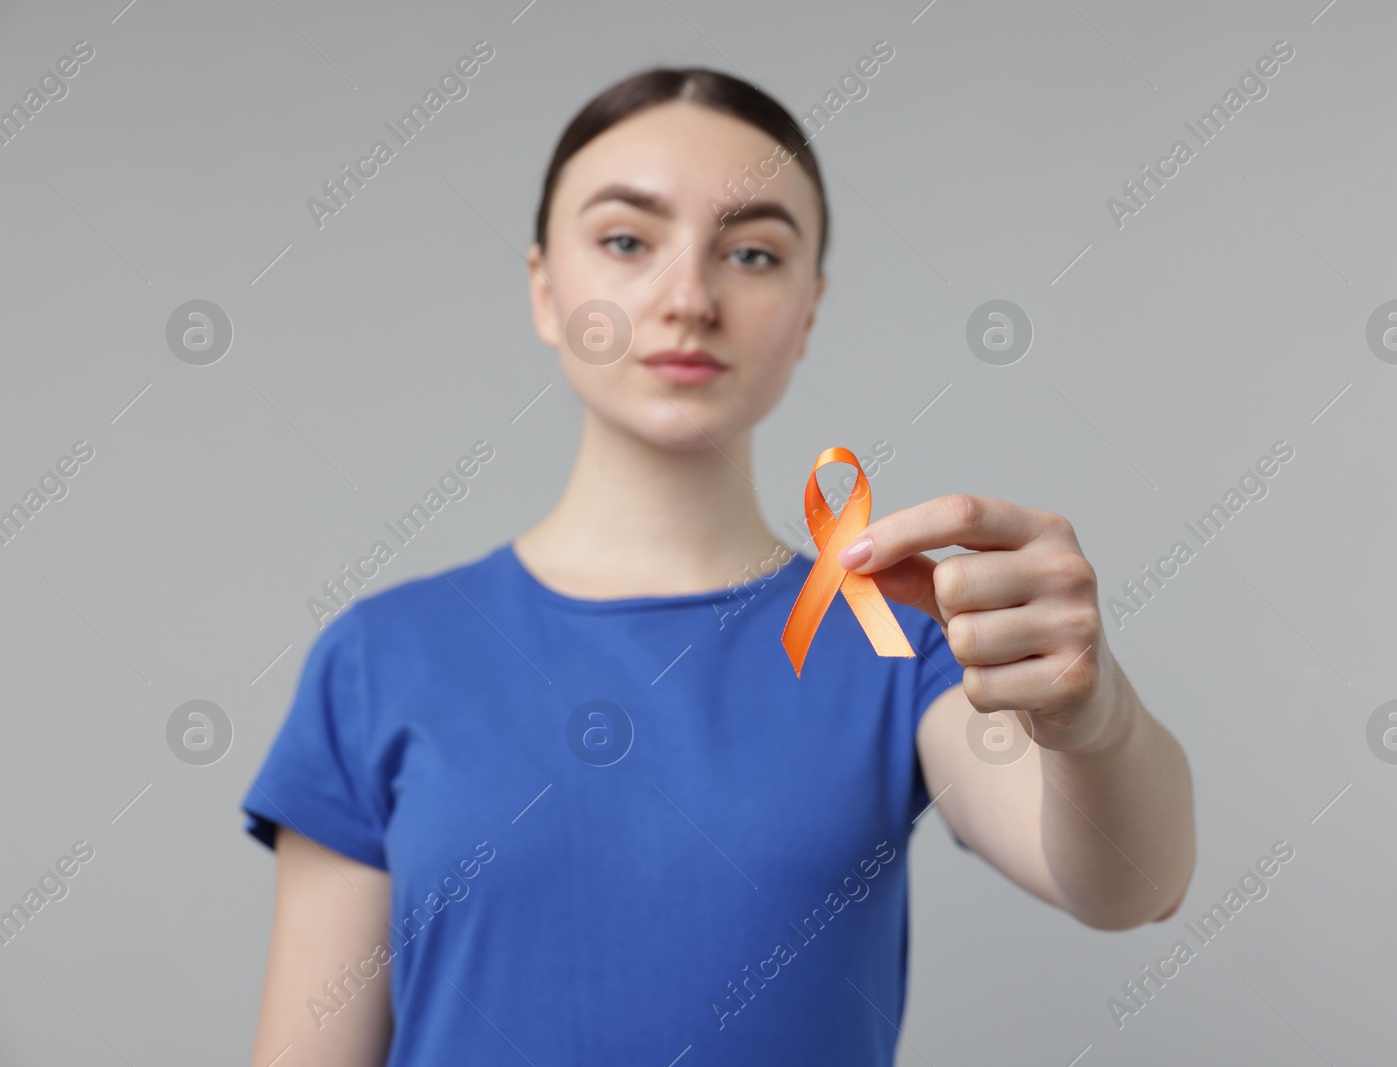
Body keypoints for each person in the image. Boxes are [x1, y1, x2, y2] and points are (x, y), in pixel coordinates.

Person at [242, 66, 1195, 1066]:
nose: (688, 297)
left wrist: (1095, 716)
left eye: (751, 252)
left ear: (809, 307)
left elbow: (1133, 882)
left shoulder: (896, 638)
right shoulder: (380, 657)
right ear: (543, 285)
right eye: (625, 240)